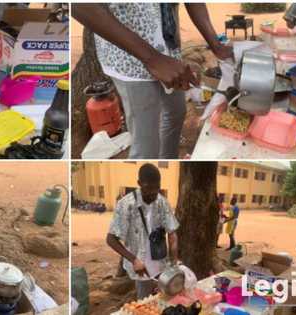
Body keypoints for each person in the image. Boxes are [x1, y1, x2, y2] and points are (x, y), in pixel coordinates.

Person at [73, 4, 233, 158]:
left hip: (169, 51)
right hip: (130, 60)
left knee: (176, 113)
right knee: (146, 146)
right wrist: (153, 59)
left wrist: (216, 44)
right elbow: (80, 6)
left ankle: (167, 158)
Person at [106, 163, 179, 299]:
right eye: (148, 188)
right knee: (145, 304)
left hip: (162, 265)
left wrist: (174, 261)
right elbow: (111, 239)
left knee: (165, 300)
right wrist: (134, 260)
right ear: (139, 183)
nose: (152, 192)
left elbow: (172, 233)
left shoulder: (162, 202)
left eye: (156, 188)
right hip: (141, 268)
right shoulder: (126, 205)